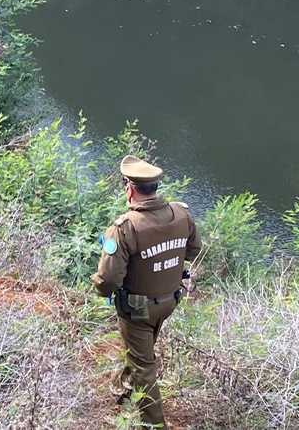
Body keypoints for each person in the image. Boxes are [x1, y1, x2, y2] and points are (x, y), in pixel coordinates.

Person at [91, 155, 201, 428]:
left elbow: (107, 280)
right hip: (169, 300)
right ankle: (123, 389)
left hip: (137, 308)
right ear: (155, 188)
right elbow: (194, 251)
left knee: (144, 368)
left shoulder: (125, 227)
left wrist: (99, 287)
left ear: (129, 188)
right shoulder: (181, 214)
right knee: (141, 350)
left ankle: (153, 424)